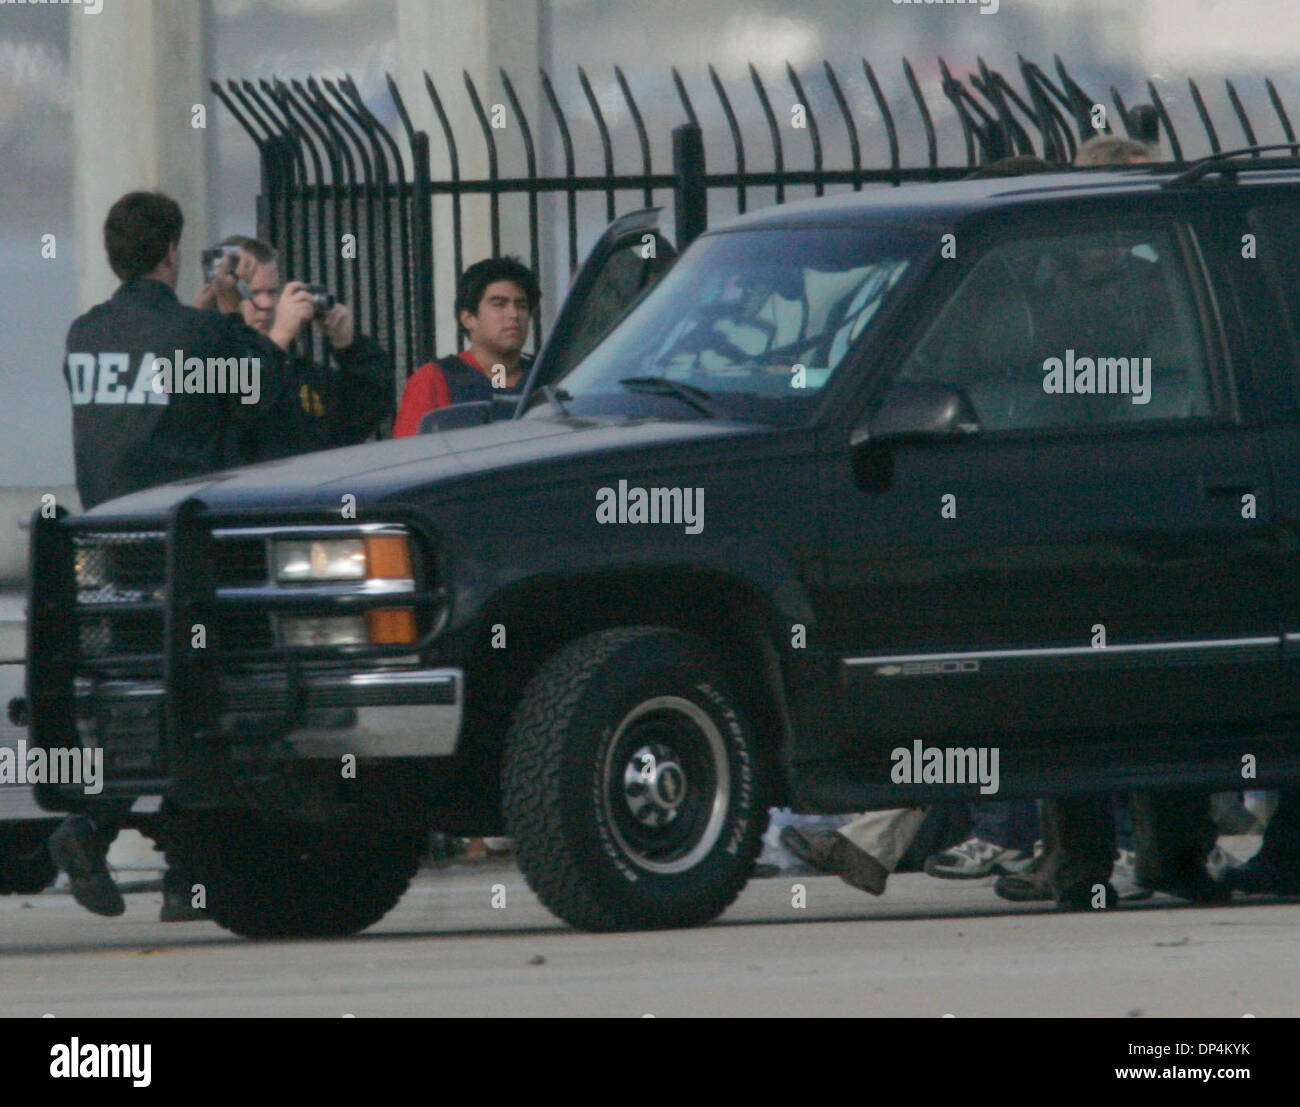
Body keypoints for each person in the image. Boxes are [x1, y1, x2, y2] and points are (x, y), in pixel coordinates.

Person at [47, 192, 292, 923]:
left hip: (103, 545)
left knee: (136, 699)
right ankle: (176, 862)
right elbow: (258, 396)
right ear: (170, 253)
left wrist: (202, 319)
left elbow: (148, 383)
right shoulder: (200, 334)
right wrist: (244, 323)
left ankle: (131, 842)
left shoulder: (83, 334)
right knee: (198, 699)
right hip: (178, 546)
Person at [212, 235, 394, 460]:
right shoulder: (200, 361)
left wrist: (349, 346)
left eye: (272, 292)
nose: (267, 305)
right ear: (223, 295)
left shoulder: (298, 374)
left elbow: (368, 411)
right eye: (253, 292)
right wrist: (277, 339)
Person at [393, 256, 540, 436]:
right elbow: (410, 456)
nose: (514, 314)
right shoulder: (433, 379)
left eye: (522, 305)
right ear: (469, 318)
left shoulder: (551, 374)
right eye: (499, 304)